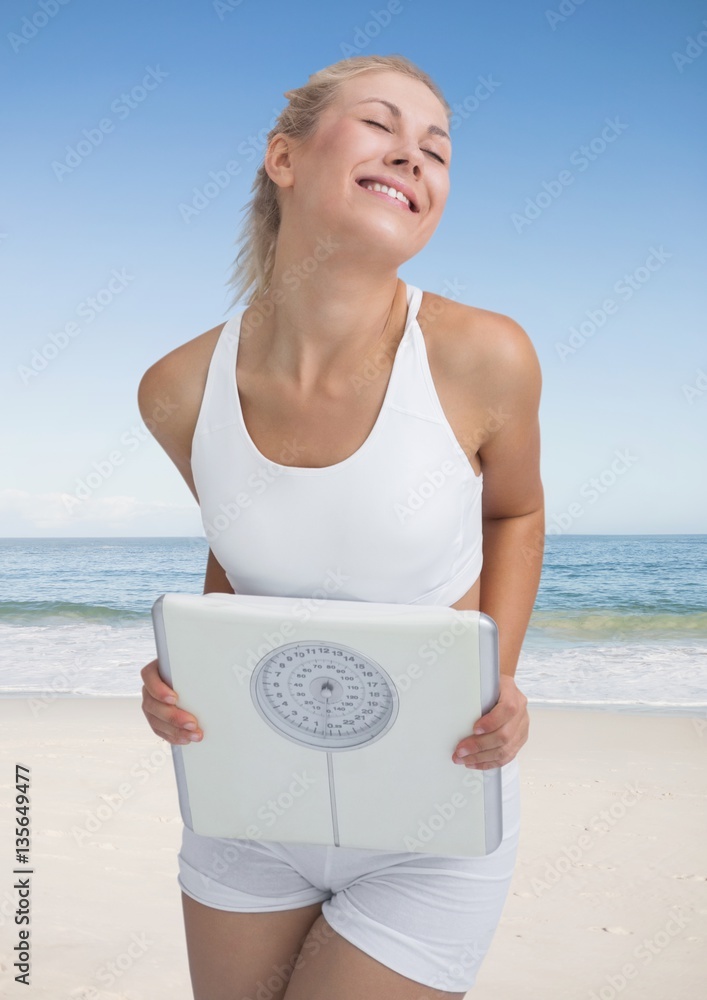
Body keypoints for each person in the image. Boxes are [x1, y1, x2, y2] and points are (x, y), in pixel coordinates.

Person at [137, 53, 544, 1000]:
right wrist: (190, 677)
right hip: (244, 811)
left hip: (432, 812)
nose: (414, 156)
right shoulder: (176, 389)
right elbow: (236, 546)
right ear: (284, 158)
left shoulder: (481, 355)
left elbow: (514, 509)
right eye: (381, 127)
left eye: (436, 149)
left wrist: (503, 676)